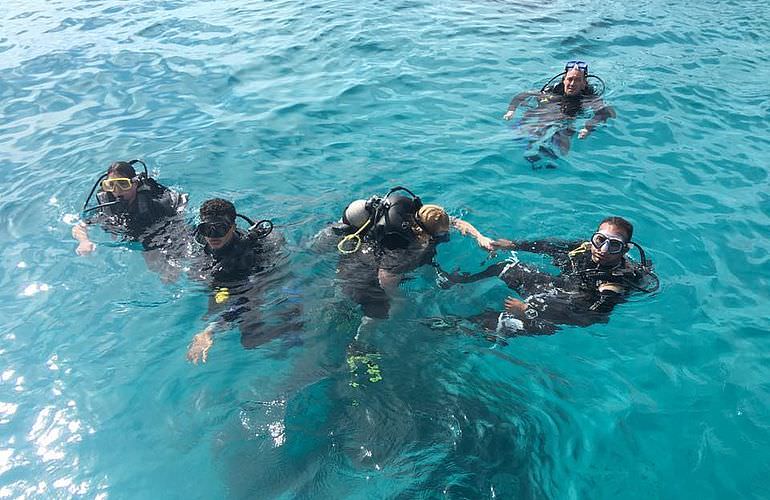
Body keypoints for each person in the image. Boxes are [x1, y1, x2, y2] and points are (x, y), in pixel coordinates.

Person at [440, 216, 658, 337]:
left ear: (624, 249)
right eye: (600, 240)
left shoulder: (613, 284)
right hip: (561, 287)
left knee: (502, 322)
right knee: (507, 266)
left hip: (567, 308)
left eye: (614, 245)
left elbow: (589, 319)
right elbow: (549, 247)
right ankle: (458, 282)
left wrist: (531, 311)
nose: (603, 248)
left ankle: (454, 327)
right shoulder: (585, 248)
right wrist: (514, 245)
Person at [315, 186, 495, 322]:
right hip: (362, 271)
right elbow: (385, 275)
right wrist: (398, 299)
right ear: (427, 230)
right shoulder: (403, 247)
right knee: (381, 311)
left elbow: (456, 223)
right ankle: (362, 342)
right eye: (440, 234)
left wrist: (480, 237)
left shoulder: (419, 213)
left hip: (361, 232)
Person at [186, 198, 298, 364]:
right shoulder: (200, 242)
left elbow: (247, 299)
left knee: (250, 340)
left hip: (261, 277)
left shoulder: (249, 256)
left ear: (233, 227)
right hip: (227, 280)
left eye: (220, 229)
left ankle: (294, 327)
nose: (213, 236)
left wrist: (211, 330)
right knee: (212, 309)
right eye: (207, 229)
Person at [503, 60, 616, 169]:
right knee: (518, 136)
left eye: (577, 80)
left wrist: (588, 127)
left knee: (561, 147)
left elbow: (606, 112)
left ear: (583, 84)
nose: (572, 84)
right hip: (543, 115)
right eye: (570, 79)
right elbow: (522, 95)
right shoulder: (552, 90)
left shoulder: (590, 97)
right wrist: (511, 110)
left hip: (565, 122)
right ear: (564, 80)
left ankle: (547, 161)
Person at [72, 159, 188, 255]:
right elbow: (79, 227)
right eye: (111, 185)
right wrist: (84, 242)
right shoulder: (107, 205)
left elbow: (176, 225)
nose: (117, 190)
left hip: (153, 229)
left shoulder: (153, 206)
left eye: (123, 184)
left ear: (135, 183)